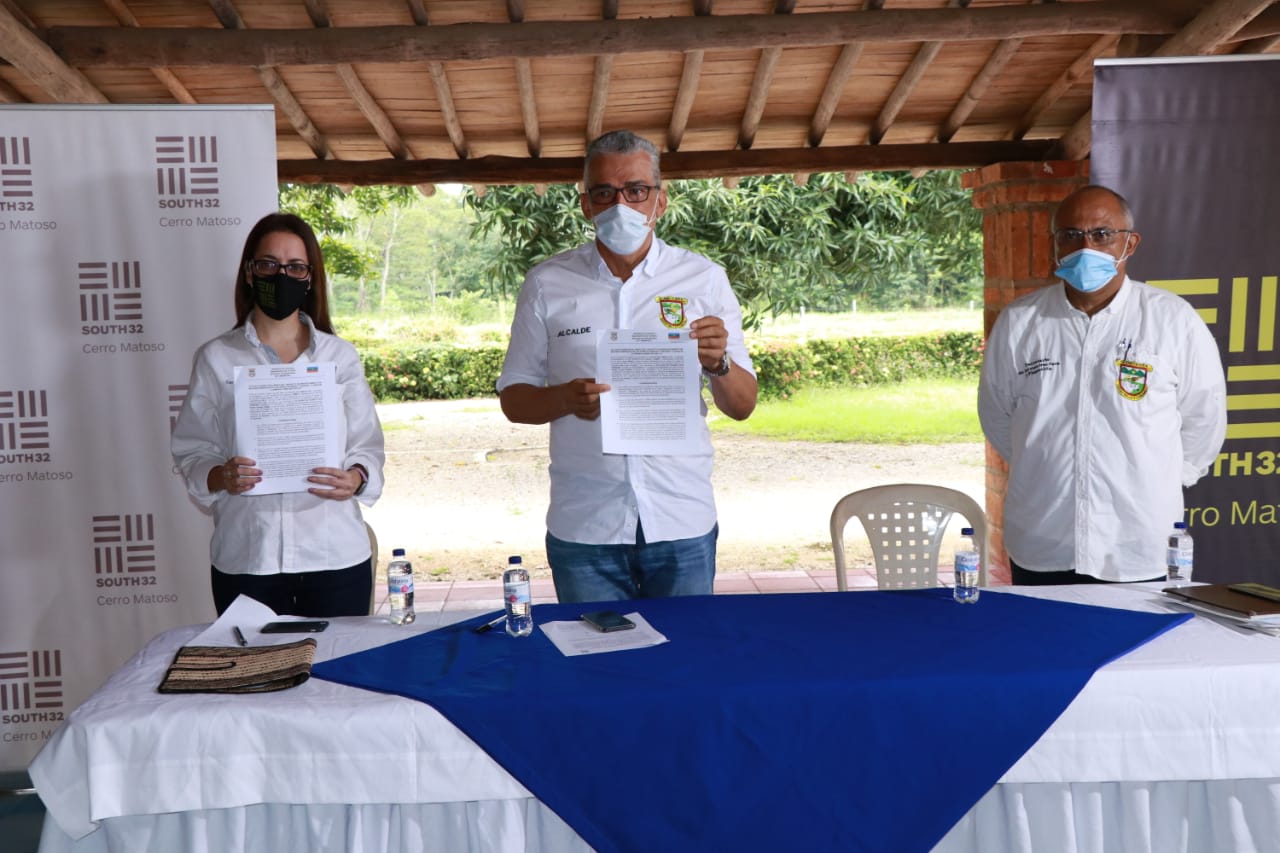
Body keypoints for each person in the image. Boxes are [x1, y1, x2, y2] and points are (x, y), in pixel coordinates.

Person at [497, 129, 758, 603]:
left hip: (680, 518)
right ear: (586, 204)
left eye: (636, 190)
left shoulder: (703, 279)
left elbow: (743, 406)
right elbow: (514, 399)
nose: (622, 205)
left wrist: (719, 364)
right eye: (605, 193)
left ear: (660, 200)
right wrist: (563, 398)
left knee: (684, 666)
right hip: (586, 525)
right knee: (595, 665)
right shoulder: (547, 283)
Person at [978, 184, 1226, 584]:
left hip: (1138, 543)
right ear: (1055, 244)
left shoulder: (1172, 321)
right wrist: (1044, 463)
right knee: (1047, 647)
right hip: (1044, 540)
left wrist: (1151, 477)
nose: (1085, 246)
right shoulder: (1021, 322)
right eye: (1071, 235)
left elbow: (1204, 419)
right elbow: (997, 415)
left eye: (1102, 234)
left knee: (1144, 648)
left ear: (1131, 243)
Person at [172, 212, 385, 616]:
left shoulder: (340, 357)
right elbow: (192, 450)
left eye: (295, 267)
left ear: (309, 277)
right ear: (250, 273)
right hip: (249, 558)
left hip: (334, 555)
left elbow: (367, 445)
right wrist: (222, 475)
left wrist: (355, 478)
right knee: (255, 675)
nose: (281, 275)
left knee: (336, 676)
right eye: (268, 264)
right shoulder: (216, 358)